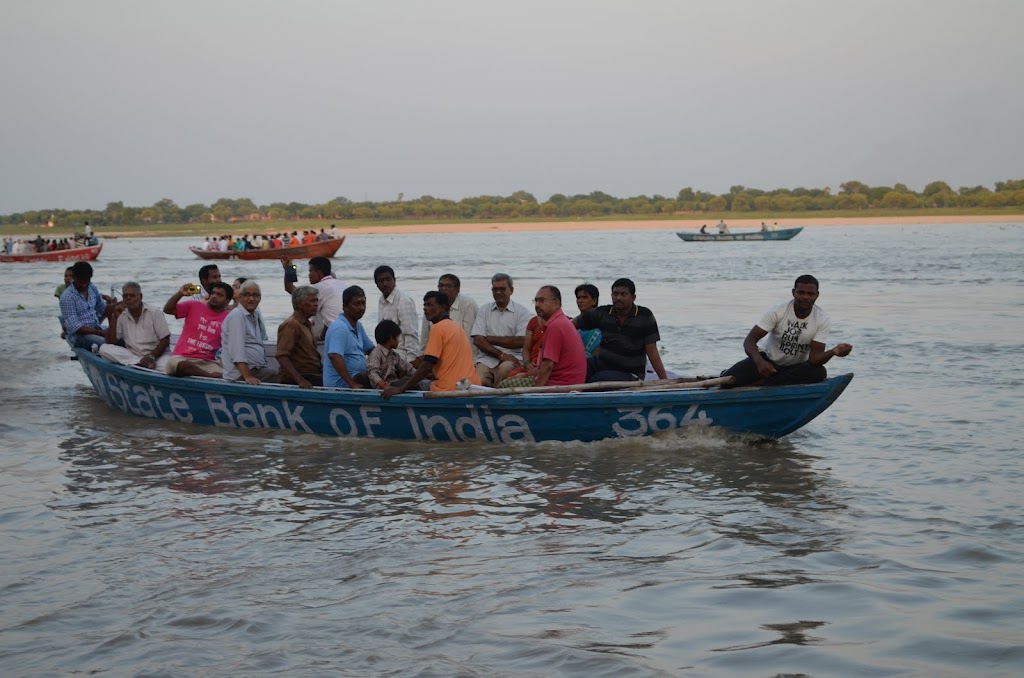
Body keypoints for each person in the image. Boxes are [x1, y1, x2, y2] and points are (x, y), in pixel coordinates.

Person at [721, 274, 853, 387]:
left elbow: (814, 359)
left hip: (795, 368)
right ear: (793, 293)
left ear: (817, 296)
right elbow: (749, 341)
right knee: (726, 382)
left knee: (819, 373)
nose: (805, 297)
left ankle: (765, 384)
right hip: (768, 362)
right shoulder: (778, 311)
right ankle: (767, 381)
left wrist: (833, 351)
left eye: (810, 294)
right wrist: (760, 362)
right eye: (801, 292)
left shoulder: (822, 319)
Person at [382, 291, 480, 399]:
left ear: (443, 307)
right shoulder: (457, 327)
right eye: (424, 305)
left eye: (429, 305)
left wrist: (401, 388)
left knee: (403, 383)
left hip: (449, 388)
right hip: (470, 384)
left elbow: (426, 366)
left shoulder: (438, 328)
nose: (425, 308)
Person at [575, 278, 667, 382]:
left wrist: (664, 380)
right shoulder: (603, 313)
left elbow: (652, 351)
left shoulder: (645, 316)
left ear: (633, 297)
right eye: (615, 294)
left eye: (623, 294)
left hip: (629, 372)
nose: (618, 298)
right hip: (601, 364)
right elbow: (571, 325)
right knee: (572, 369)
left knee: (596, 380)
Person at [498, 286, 587, 388]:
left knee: (505, 385)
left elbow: (548, 366)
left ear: (556, 303)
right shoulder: (560, 321)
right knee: (515, 377)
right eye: (536, 301)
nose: (537, 305)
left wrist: (536, 392)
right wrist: (525, 375)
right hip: (567, 382)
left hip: (561, 385)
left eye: (542, 301)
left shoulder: (556, 326)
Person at [471, 273, 532, 386]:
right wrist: (501, 355)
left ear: (511, 290)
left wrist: (489, 339)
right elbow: (478, 340)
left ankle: (500, 401)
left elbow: (520, 341)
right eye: (495, 289)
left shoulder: (522, 312)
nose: (498, 292)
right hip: (487, 358)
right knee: (479, 379)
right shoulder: (484, 310)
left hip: (513, 358)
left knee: (504, 370)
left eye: (502, 289)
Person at [163, 280, 233, 377]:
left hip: (207, 363)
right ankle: (208, 376)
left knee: (228, 376)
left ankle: (204, 375)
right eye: (213, 293)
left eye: (219, 295)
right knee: (175, 363)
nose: (214, 296)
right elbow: (167, 310)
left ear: (227, 301)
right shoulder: (194, 305)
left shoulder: (230, 318)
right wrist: (180, 294)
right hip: (183, 358)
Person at [99, 282, 171, 370]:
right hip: (134, 355)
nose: (128, 299)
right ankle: (140, 363)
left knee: (168, 366)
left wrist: (151, 357)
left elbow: (165, 340)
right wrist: (115, 317)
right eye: (125, 296)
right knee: (104, 349)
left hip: (157, 357)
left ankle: (142, 364)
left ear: (140, 296)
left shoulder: (154, 312)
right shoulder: (121, 314)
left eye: (132, 296)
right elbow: (110, 341)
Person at [220, 280, 279, 385]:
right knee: (282, 377)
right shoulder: (237, 316)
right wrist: (248, 376)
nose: (251, 299)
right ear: (240, 297)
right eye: (247, 295)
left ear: (260, 298)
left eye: (255, 295)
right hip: (240, 375)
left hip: (256, 369)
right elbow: (237, 350)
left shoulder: (254, 315)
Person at [282, 255, 345, 339]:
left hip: (329, 335)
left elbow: (290, 289)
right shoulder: (343, 285)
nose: (309, 275)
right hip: (345, 330)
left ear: (318, 273)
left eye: (310, 271)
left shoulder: (319, 287)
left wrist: (289, 268)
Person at [323, 285, 373, 388]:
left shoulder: (357, 326)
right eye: (357, 304)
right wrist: (352, 384)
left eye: (363, 303)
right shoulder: (339, 328)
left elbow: (371, 350)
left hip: (357, 379)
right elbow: (334, 356)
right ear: (345, 306)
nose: (361, 308)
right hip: (340, 386)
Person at [59, 261, 113, 351]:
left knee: (124, 337)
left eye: (86, 281)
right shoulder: (67, 297)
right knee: (107, 344)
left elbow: (103, 309)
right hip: (79, 336)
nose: (84, 285)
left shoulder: (92, 288)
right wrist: (99, 332)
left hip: (97, 328)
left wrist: (114, 306)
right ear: (74, 278)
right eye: (80, 282)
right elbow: (76, 328)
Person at [420, 273, 478, 356]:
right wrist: (422, 356)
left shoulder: (468, 304)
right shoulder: (431, 306)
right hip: (435, 353)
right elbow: (424, 338)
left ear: (457, 289)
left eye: (448, 286)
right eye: (441, 286)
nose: (444, 289)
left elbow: (468, 339)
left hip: (462, 355)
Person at [276, 286, 323, 388]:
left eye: (316, 301)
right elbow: (282, 356)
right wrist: (300, 380)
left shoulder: (307, 324)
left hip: (312, 374)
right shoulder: (291, 325)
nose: (316, 304)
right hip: (299, 377)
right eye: (312, 301)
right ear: (300, 304)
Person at [373, 265, 419, 362]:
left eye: (388, 279)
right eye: (381, 281)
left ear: (394, 280)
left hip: (401, 355)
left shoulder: (403, 300)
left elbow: (411, 333)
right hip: (386, 353)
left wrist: (410, 361)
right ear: (376, 284)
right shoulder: (381, 300)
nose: (385, 283)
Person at [367, 320, 415, 389]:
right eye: (398, 337)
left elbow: (407, 367)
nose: (399, 341)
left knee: (412, 379)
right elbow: (372, 373)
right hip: (383, 387)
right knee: (408, 381)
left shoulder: (393, 354)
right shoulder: (376, 353)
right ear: (391, 338)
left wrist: (420, 375)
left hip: (393, 383)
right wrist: (384, 386)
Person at [573, 283, 602, 357]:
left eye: (585, 297)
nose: (580, 301)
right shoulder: (574, 322)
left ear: (594, 301)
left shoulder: (600, 324)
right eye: (578, 298)